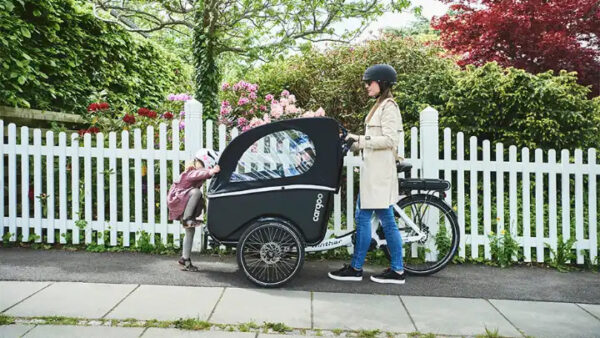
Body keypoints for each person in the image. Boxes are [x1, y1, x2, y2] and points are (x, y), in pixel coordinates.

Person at [328, 64, 406, 284]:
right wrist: (351, 138)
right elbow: (371, 139)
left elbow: (391, 140)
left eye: (369, 82)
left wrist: (361, 140)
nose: (366, 86)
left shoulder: (389, 107)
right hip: (374, 174)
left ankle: (366, 268)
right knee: (375, 219)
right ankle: (375, 268)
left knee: (376, 220)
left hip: (379, 175)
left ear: (381, 83)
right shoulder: (379, 106)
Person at [167, 148, 220, 272]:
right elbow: (199, 174)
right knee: (196, 192)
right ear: (197, 162)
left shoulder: (197, 173)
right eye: (202, 166)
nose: (203, 169)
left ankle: (185, 259)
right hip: (179, 201)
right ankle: (187, 218)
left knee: (190, 232)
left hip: (184, 203)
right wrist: (211, 171)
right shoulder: (190, 172)